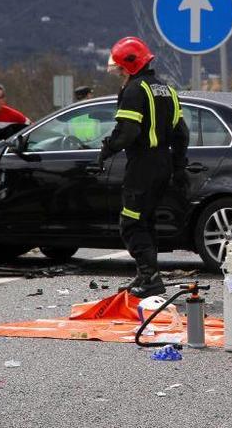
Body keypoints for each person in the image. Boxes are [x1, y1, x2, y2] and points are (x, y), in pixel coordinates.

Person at [98, 36, 189, 299]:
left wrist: (107, 149)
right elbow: (181, 133)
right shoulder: (166, 89)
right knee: (146, 220)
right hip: (164, 163)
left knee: (131, 222)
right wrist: (179, 166)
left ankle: (150, 278)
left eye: (120, 69)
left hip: (142, 165)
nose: (119, 74)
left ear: (130, 66)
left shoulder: (134, 90)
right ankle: (146, 274)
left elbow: (127, 131)